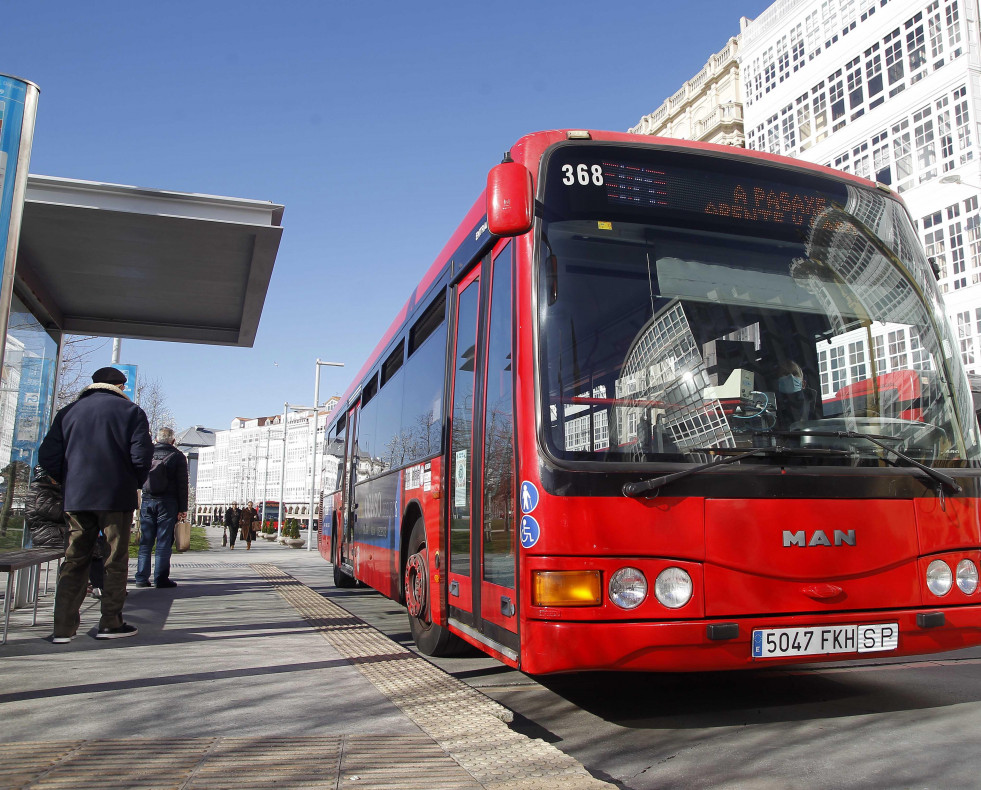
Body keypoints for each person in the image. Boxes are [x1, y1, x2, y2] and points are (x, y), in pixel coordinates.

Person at [39, 366, 153, 642]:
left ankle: (63, 628)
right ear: (121, 387)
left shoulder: (68, 413)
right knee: (115, 559)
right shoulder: (132, 412)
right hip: (115, 497)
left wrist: (68, 480)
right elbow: (141, 456)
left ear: (94, 384)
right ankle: (110, 623)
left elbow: (48, 455)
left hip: (77, 497)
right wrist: (132, 481)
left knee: (75, 558)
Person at [134, 427, 188, 589]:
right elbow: (182, 485)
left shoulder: (147, 453)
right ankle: (160, 578)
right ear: (172, 441)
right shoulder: (177, 456)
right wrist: (182, 508)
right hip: (168, 502)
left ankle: (141, 578)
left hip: (148, 500)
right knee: (164, 541)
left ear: (156, 440)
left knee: (146, 541)